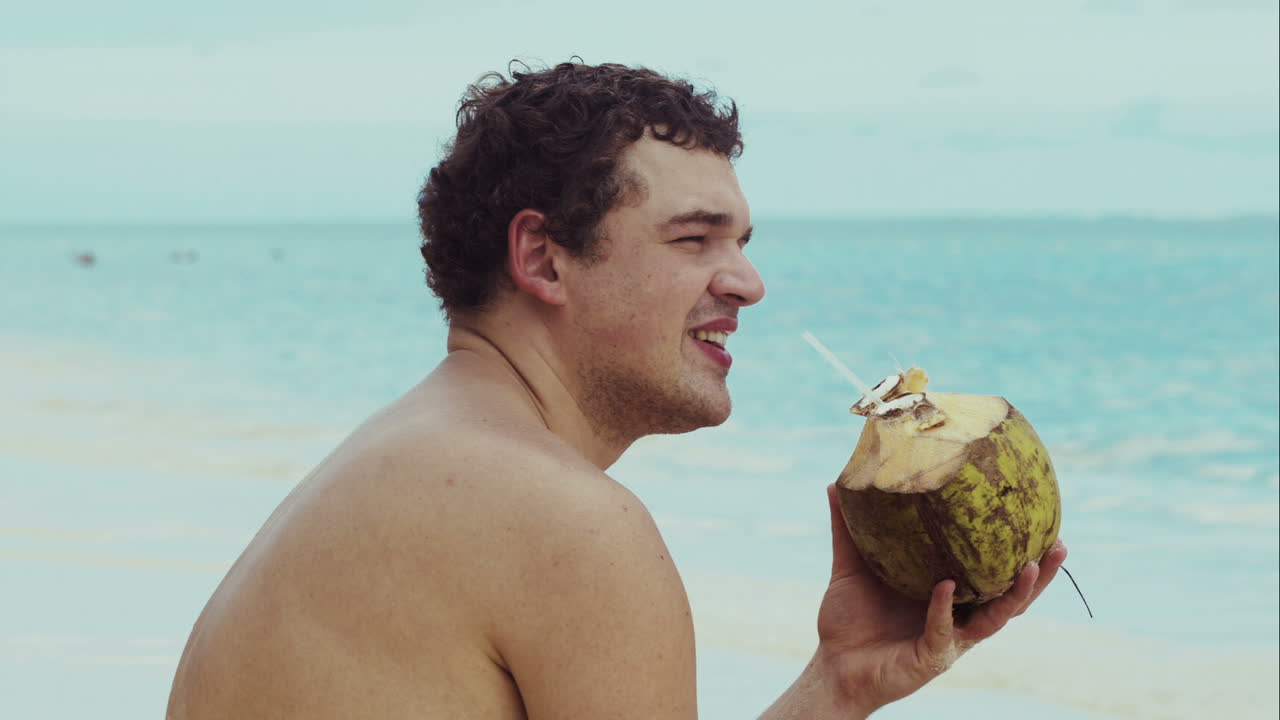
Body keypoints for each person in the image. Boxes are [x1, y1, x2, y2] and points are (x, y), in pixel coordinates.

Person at [166, 61, 1067, 719]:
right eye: (694, 239)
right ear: (542, 258)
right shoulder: (567, 522)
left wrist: (837, 688)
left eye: (742, 242)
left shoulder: (400, 460)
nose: (749, 283)